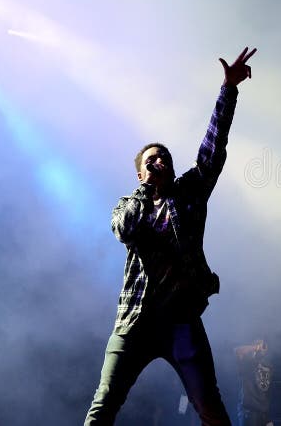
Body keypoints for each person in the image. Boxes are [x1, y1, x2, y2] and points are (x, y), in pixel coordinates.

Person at [84, 47, 258, 425]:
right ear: (140, 174)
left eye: (164, 157)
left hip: (181, 321)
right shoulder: (128, 205)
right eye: (152, 160)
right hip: (134, 322)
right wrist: (145, 192)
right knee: (104, 405)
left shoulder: (189, 193)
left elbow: (213, 151)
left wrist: (228, 90)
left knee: (209, 406)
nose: (160, 161)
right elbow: (124, 230)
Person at [235, 339, 274, 426]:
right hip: (249, 411)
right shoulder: (246, 362)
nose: (262, 347)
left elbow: (266, 392)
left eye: (263, 344)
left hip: (263, 412)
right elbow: (238, 350)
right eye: (258, 343)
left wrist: (268, 417)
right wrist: (255, 347)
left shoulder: (268, 365)